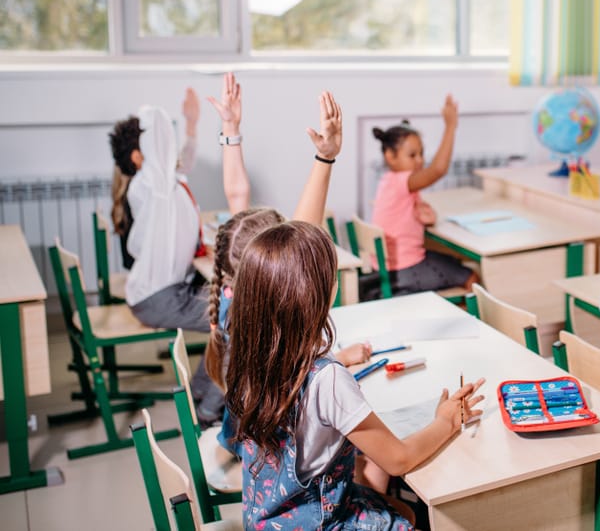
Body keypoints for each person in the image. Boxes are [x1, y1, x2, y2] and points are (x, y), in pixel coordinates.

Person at [226, 221, 486, 529]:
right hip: (318, 520)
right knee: (407, 508)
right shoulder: (329, 380)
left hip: (268, 518)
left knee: (384, 487)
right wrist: (447, 419)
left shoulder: (249, 359)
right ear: (326, 291)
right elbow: (398, 459)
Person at [203, 74, 383, 489]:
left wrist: (231, 131)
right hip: (265, 449)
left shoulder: (237, 292)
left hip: (242, 429)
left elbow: (236, 198)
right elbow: (305, 229)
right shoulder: (263, 310)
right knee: (371, 454)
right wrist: (325, 160)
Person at [109, 92, 227, 423]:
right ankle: (208, 410)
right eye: (154, 142)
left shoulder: (165, 181)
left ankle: (202, 392)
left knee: (233, 307)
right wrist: (155, 115)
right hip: (158, 298)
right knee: (239, 320)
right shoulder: (149, 184)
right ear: (138, 156)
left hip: (172, 290)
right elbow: (153, 120)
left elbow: (184, 161)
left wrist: (191, 124)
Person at [370, 95, 478, 296]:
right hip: (406, 269)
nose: (419, 161)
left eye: (421, 153)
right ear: (390, 157)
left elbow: (412, 216)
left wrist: (425, 217)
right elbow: (438, 170)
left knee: (453, 262)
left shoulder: (389, 181)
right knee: (472, 277)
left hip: (385, 270)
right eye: (412, 155)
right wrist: (451, 126)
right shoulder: (404, 180)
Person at [110, 87, 199, 269]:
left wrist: (191, 124)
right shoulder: (145, 186)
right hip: (151, 273)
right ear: (138, 156)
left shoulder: (148, 180)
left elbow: (180, 165)